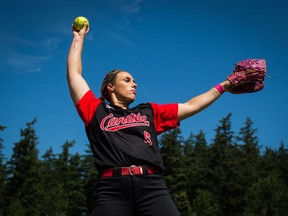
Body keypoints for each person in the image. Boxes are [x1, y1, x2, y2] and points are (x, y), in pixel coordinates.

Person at [67, 22, 232, 216]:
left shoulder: (148, 112)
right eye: (127, 80)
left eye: (134, 81)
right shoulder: (94, 109)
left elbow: (190, 106)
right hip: (112, 189)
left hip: (152, 187)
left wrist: (226, 85)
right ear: (110, 87)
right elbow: (74, 73)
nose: (134, 84)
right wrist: (79, 38)